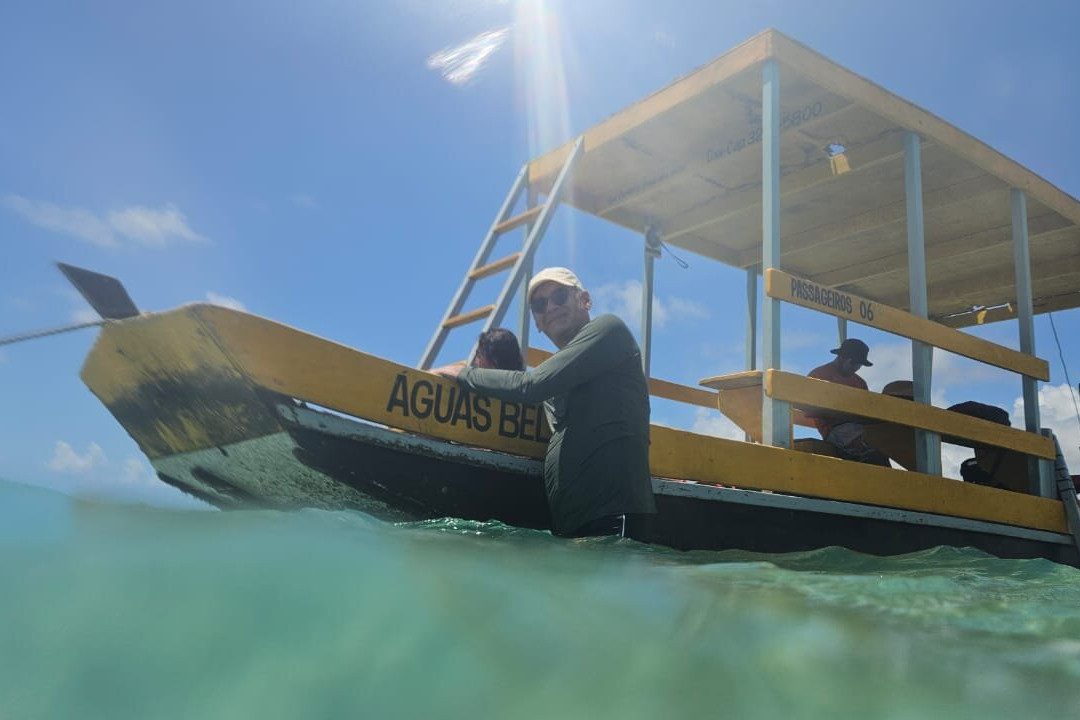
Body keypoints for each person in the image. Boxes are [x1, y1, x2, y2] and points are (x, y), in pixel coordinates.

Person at [436, 267, 657, 539]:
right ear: (537, 324)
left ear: (585, 300)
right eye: (539, 305)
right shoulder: (557, 385)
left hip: (613, 516)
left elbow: (531, 385)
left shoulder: (609, 329)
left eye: (560, 296)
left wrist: (464, 374)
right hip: (574, 524)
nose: (550, 307)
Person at [806, 338, 890, 466]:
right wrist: (846, 414)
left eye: (859, 365)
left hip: (859, 428)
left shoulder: (860, 383)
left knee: (885, 444)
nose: (856, 368)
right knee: (872, 452)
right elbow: (810, 408)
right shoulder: (819, 375)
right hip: (834, 428)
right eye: (853, 363)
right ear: (841, 357)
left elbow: (867, 412)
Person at [431, 328, 525, 374]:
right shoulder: (527, 391)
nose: (475, 362)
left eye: (479, 355)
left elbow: (463, 374)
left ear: (494, 361)